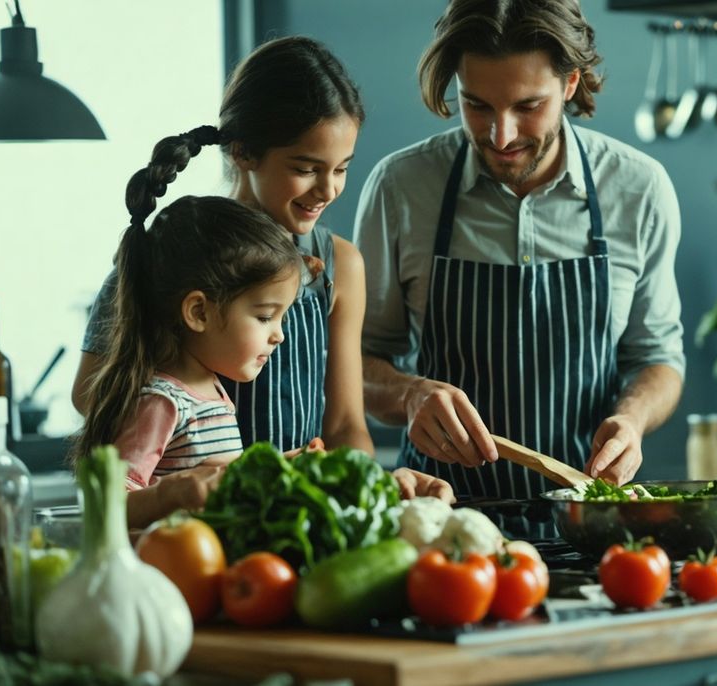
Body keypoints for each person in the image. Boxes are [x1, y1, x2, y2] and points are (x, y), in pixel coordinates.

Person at [73, 36, 453, 504]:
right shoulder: (173, 253)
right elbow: (93, 395)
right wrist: (187, 456)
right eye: (306, 168)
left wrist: (363, 486)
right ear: (243, 152)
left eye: (341, 169)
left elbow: (344, 426)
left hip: (295, 514)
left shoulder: (340, 265)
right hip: (196, 519)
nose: (328, 189)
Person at [355, 0, 685, 501]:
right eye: (477, 105)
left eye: (528, 107)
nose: (501, 135)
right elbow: (356, 364)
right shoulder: (400, 187)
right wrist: (409, 395)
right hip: (438, 515)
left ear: (570, 84)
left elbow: (658, 357)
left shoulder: (638, 188)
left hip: (586, 518)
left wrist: (632, 418)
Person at [73, 127, 305, 528]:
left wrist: (279, 468)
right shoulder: (162, 403)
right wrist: (174, 493)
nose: (278, 334)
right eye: (265, 316)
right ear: (198, 312)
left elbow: (215, 481)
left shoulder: (211, 392)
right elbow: (107, 505)